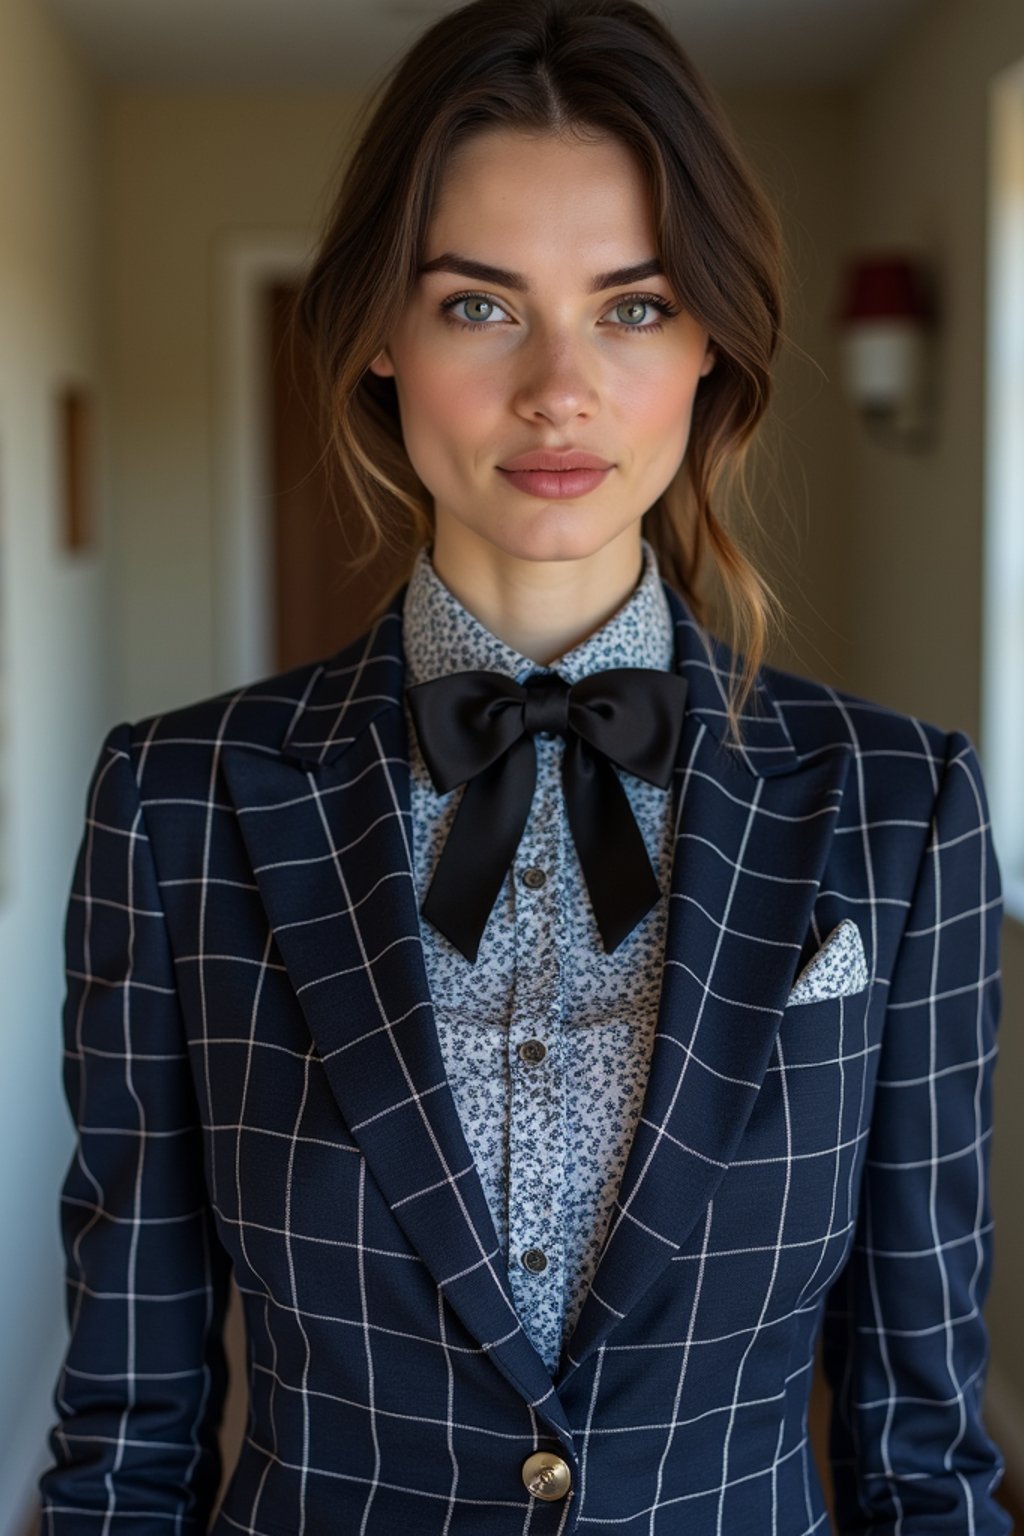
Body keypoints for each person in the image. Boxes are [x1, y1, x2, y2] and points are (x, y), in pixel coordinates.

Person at [39, 0, 1009, 1530]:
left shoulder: (905, 808)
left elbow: (917, 1443)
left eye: (632, 306)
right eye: (480, 306)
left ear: (710, 344)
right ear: (379, 331)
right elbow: (127, 1432)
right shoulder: (178, 807)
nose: (560, 390)